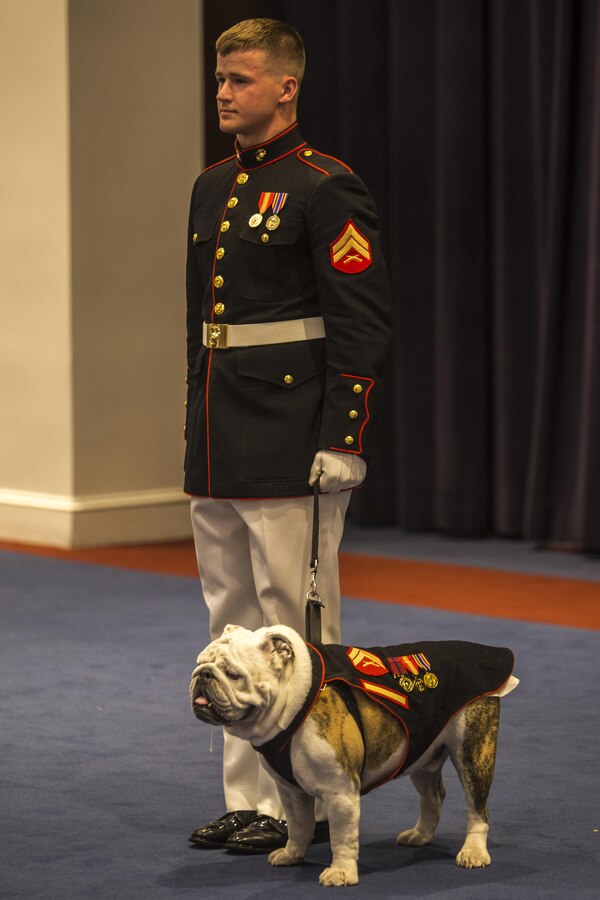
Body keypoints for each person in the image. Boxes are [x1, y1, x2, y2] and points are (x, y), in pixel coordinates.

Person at [185, 18, 392, 854]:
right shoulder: (209, 185)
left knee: (293, 629)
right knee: (227, 624)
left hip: (292, 435)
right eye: (221, 78)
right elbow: (202, 322)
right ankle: (255, 801)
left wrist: (347, 433)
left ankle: (312, 798)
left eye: (240, 79)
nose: (225, 92)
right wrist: (192, 421)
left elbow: (362, 322)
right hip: (218, 431)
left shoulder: (324, 185)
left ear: (286, 86)